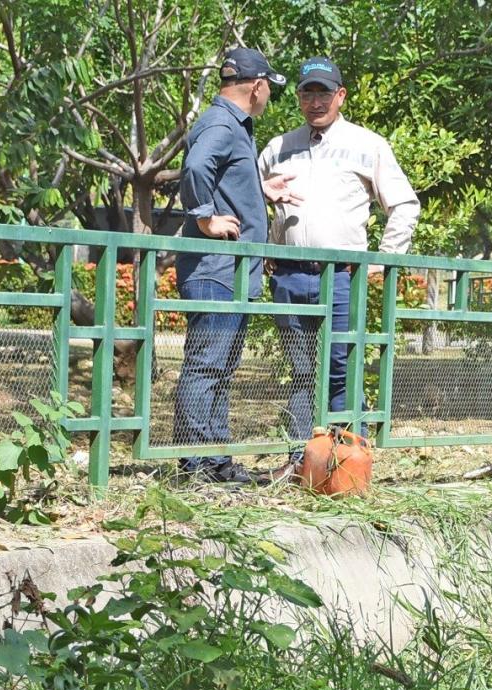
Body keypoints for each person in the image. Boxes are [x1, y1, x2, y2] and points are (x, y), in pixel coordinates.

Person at [257, 56, 420, 481]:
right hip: (289, 277)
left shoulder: (368, 144)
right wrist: (265, 251)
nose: (315, 101)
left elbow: (403, 204)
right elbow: (250, 202)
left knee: (342, 367)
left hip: (343, 277)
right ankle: (301, 461)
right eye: (307, 92)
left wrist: (381, 262)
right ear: (297, 97)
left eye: (324, 92)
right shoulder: (278, 146)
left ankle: (347, 466)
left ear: (340, 95)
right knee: (302, 371)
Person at [173, 48, 299, 483]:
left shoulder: (232, 126)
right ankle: (194, 466)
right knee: (207, 365)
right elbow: (195, 166)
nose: (269, 99)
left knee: (221, 367)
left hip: (231, 269)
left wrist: (260, 189)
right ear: (258, 86)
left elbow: (219, 172)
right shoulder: (223, 123)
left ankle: (216, 460)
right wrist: (205, 217)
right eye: (270, 91)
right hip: (215, 268)